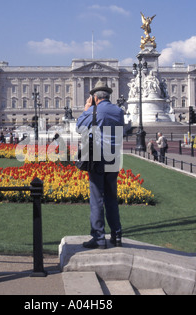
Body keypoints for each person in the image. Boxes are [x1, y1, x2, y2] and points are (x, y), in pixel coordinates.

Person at [76, 81, 124, 249]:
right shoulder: (119, 111)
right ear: (108, 96)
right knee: (112, 198)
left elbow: (79, 127)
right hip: (115, 158)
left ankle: (98, 238)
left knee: (97, 199)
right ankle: (117, 236)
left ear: (95, 97)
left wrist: (85, 110)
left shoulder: (93, 110)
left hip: (97, 157)